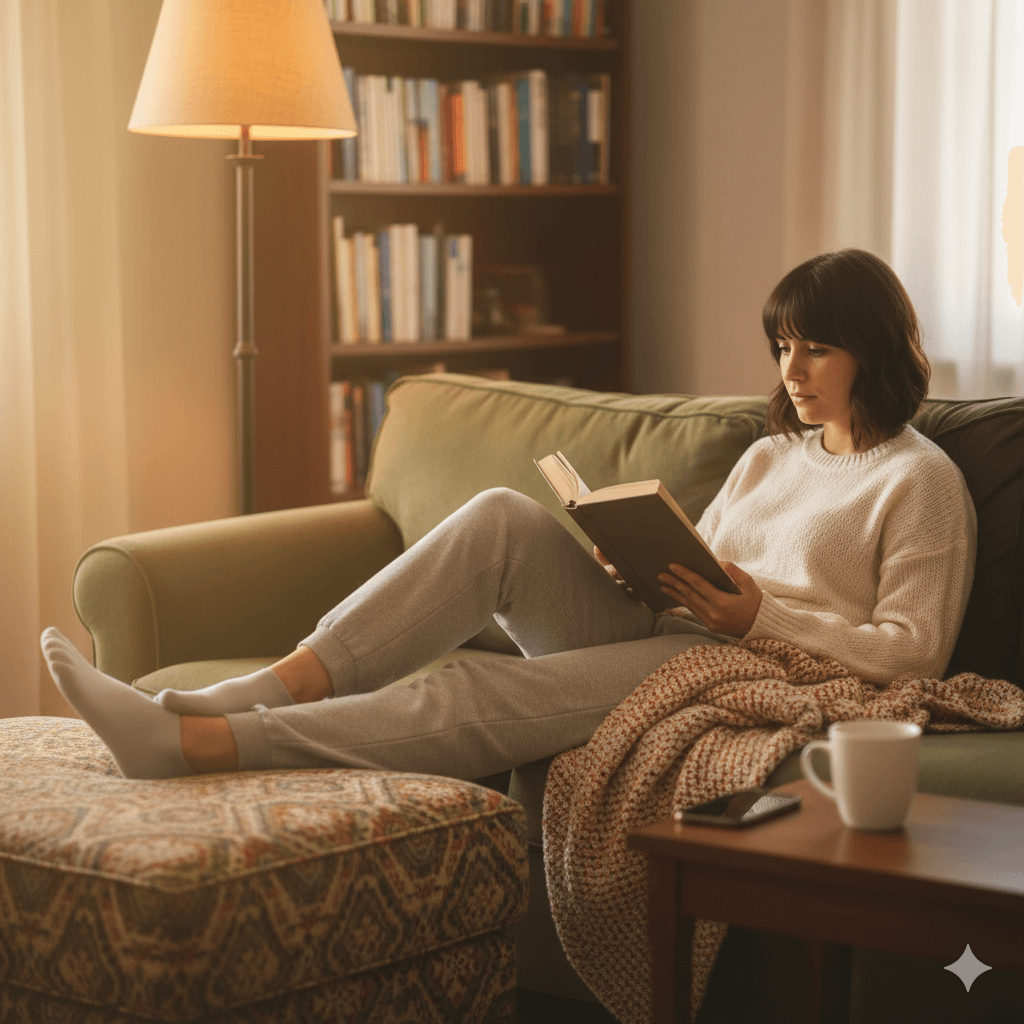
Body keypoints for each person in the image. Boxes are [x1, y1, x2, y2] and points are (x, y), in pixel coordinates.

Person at [41, 249, 977, 782]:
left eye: (816, 349)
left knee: (471, 690)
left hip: (737, 666)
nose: (791, 372)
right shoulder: (773, 453)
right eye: (782, 347)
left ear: (875, 351)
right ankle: (255, 688)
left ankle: (199, 743)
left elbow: (913, 652)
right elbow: (713, 562)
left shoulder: (920, 480)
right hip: (671, 627)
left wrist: (755, 616)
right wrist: (641, 567)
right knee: (496, 515)